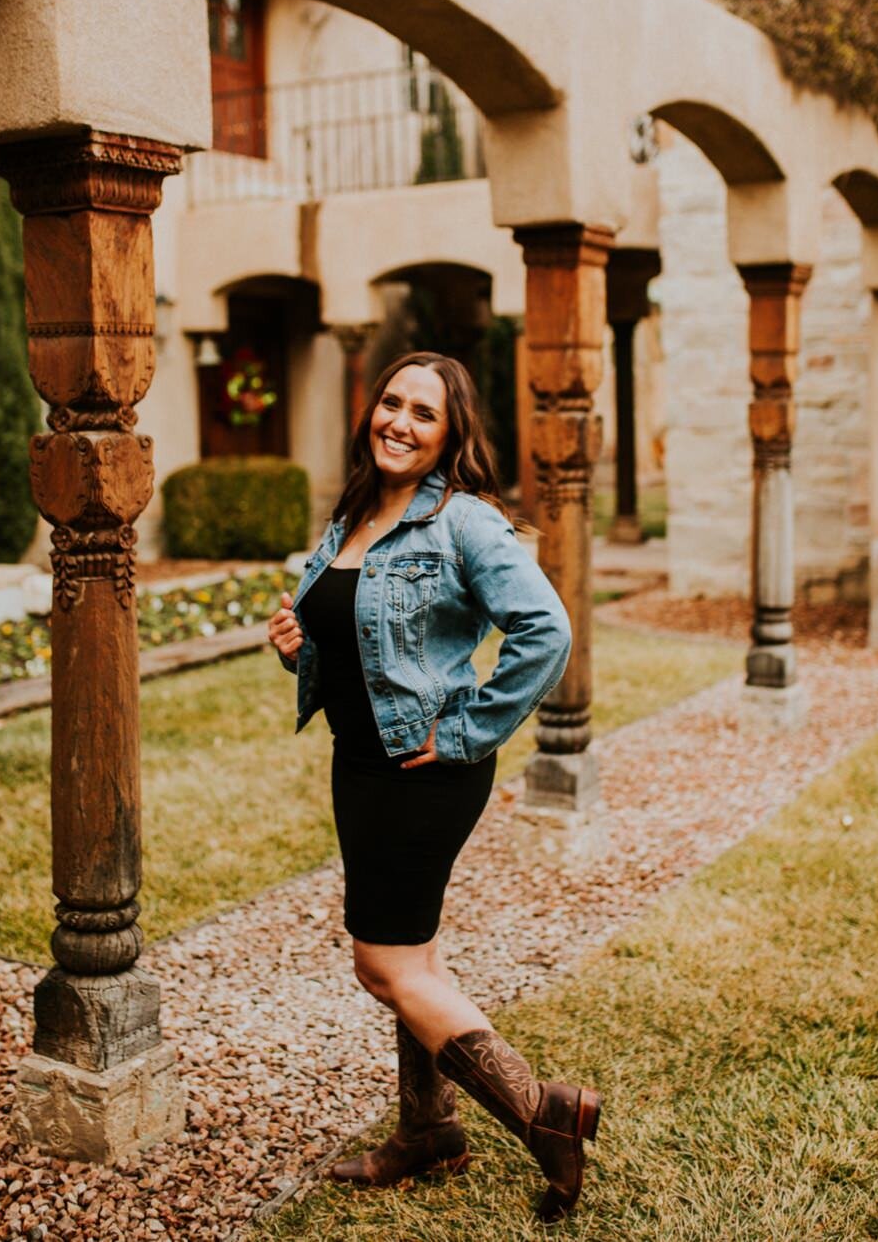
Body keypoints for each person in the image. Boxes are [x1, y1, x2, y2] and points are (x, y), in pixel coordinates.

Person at [266, 351, 598, 1222]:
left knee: (381, 962)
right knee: (416, 954)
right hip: (363, 764)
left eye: (423, 413)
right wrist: (302, 645)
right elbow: (363, 635)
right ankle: (429, 1130)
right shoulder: (355, 513)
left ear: (450, 435)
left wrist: (464, 730)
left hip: (424, 769)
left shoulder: (465, 523)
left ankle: (543, 1114)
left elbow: (545, 629)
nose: (399, 422)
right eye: (391, 403)